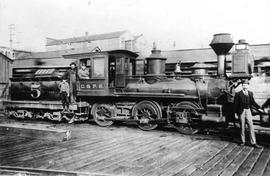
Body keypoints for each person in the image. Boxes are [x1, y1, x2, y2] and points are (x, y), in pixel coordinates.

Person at [234, 79, 263, 148]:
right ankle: (242, 141)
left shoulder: (250, 93)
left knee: (251, 126)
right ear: (241, 86)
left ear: (248, 86)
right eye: (243, 85)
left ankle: (253, 142)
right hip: (241, 111)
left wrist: (260, 108)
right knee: (242, 126)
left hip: (248, 110)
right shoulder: (238, 94)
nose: (245, 86)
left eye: (246, 85)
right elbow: (235, 104)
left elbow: (253, 102)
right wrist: (235, 113)